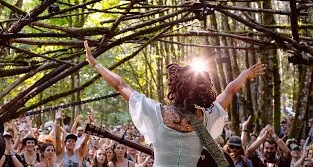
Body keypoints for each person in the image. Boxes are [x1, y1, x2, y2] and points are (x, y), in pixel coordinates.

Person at [84, 40, 266, 166]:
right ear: (202, 91)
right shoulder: (206, 118)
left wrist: (96, 65)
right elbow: (229, 91)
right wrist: (244, 75)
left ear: (174, 88)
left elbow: (120, 85)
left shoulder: (157, 113)